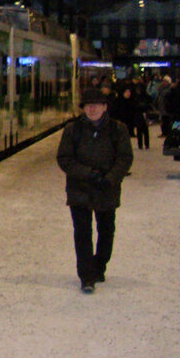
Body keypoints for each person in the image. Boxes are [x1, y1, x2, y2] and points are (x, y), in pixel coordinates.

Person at [56, 87, 134, 293]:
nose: (92, 109)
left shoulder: (118, 129)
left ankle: (99, 266)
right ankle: (86, 276)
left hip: (107, 189)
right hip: (79, 189)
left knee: (106, 232)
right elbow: (64, 159)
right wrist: (88, 173)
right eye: (88, 106)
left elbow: (125, 158)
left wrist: (110, 179)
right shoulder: (72, 130)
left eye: (96, 105)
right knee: (82, 233)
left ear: (105, 107)